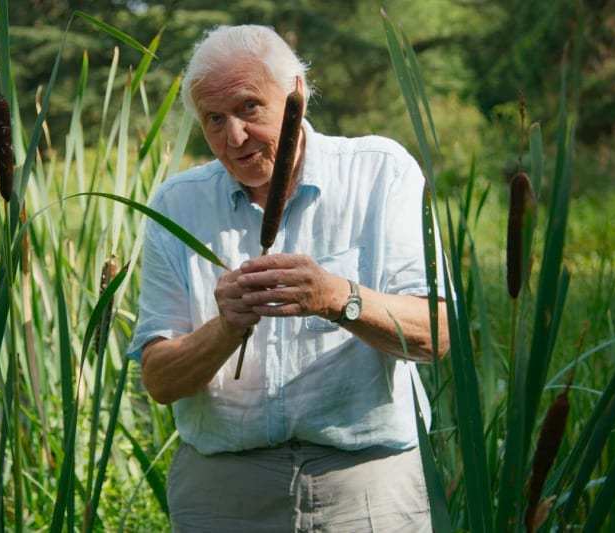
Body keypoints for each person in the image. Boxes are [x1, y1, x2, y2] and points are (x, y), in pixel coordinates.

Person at [127, 24, 449, 532]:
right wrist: (225, 328)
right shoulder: (177, 205)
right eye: (214, 119)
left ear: (295, 94)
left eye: (248, 107)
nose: (233, 138)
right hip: (225, 493)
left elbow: (439, 334)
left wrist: (336, 297)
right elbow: (160, 380)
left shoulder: (381, 173)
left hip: (368, 486)